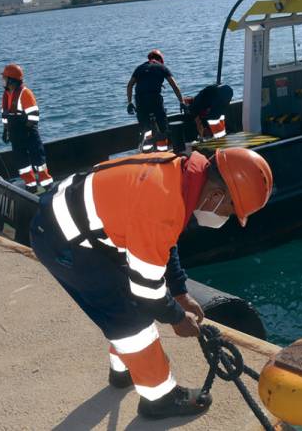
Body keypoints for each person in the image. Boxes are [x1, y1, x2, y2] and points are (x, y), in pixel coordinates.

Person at [29, 147, 272, 419]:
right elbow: (146, 290)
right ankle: (160, 399)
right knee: (133, 320)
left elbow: (165, 244)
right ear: (216, 196)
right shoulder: (162, 202)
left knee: (122, 309)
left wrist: (179, 291)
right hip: (64, 241)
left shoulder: (179, 176)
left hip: (80, 228)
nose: (226, 219)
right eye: (230, 210)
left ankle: (124, 372)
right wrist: (177, 318)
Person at [0, 63, 53, 193]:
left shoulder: (25, 93)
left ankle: (47, 185)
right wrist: (6, 130)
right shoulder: (6, 95)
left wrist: (27, 131)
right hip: (16, 135)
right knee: (21, 162)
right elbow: (5, 114)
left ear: (11, 80)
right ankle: (31, 185)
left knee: (38, 160)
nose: (2, 81)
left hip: (28, 133)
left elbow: (34, 115)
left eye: (5, 78)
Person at [126, 49, 183, 152]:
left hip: (140, 100)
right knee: (162, 126)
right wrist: (181, 102)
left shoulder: (140, 68)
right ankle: (163, 151)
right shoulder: (162, 68)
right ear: (160, 60)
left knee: (145, 128)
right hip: (154, 99)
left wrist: (130, 103)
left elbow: (130, 85)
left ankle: (147, 152)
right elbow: (174, 85)